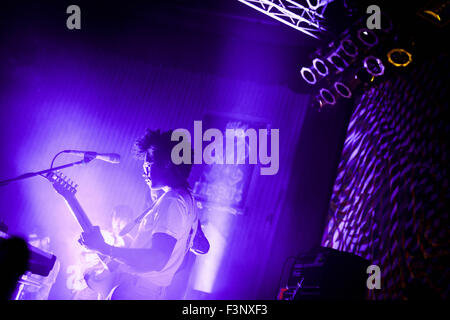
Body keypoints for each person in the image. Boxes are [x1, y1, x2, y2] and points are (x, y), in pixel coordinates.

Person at [79, 129, 198, 300]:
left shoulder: (172, 201)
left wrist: (104, 248)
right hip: (146, 290)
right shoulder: (186, 199)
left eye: (148, 165)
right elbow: (200, 246)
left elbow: (157, 259)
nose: (144, 172)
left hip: (137, 290)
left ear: (166, 164)